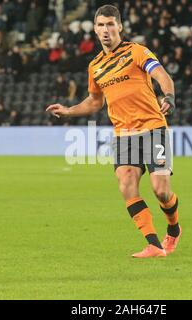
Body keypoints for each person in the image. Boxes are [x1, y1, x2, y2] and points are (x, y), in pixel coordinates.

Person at [46, 5, 181, 258]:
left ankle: (173, 228)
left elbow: (162, 75)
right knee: (126, 184)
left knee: (160, 190)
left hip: (153, 128)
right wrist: (68, 110)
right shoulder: (95, 66)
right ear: (95, 30)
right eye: (100, 25)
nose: (105, 30)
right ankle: (153, 243)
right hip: (123, 133)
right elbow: (95, 102)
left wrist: (169, 97)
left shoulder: (136, 52)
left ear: (120, 26)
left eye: (110, 24)